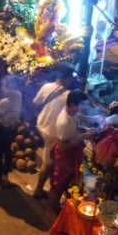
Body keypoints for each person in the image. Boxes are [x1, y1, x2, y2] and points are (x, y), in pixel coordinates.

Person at [31, 62, 74, 199]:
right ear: (67, 78)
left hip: (42, 125)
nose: (72, 79)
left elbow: (35, 103)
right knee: (48, 163)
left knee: (49, 158)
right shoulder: (69, 95)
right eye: (71, 77)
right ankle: (38, 190)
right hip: (53, 132)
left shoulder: (46, 86)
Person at [49, 90, 93, 213]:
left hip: (72, 153)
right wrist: (80, 138)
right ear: (73, 104)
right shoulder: (63, 122)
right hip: (64, 156)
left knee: (68, 181)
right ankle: (51, 209)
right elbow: (62, 147)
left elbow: (76, 126)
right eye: (82, 105)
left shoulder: (73, 112)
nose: (84, 107)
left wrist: (85, 129)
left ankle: (61, 207)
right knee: (58, 184)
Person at [0, 75, 22, 189]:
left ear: (9, 87)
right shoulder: (19, 95)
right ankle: (5, 175)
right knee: (7, 152)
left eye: (4, 85)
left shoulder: (4, 102)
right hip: (11, 129)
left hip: (1, 129)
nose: (2, 87)